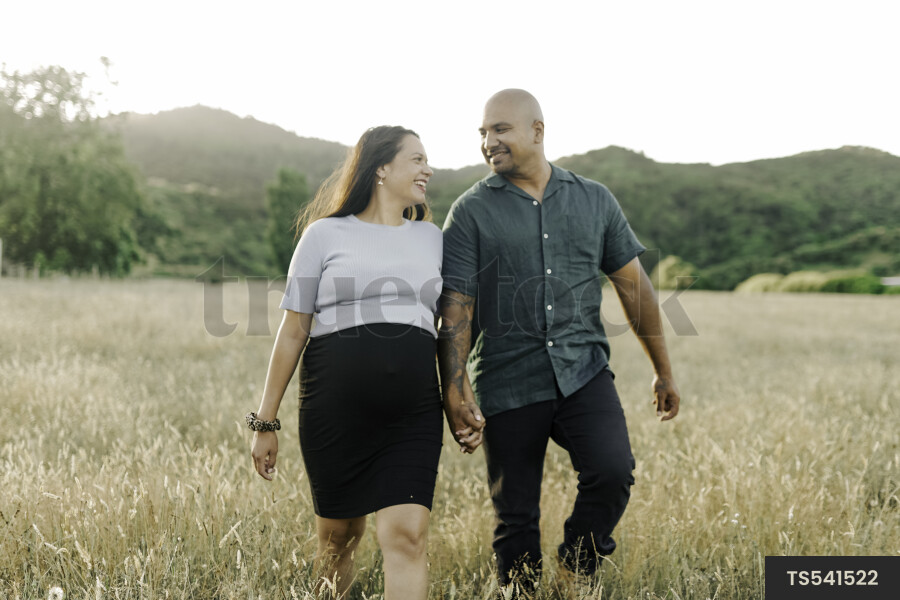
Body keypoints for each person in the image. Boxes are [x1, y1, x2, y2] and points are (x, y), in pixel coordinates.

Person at [438, 89, 681, 591]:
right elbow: (457, 309)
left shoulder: (594, 199)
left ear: (537, 130)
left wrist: (664, 369)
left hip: (583, 370)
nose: (489, 142)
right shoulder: (469, 212)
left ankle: (575, 568)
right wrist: (455, 388)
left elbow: (635, 288)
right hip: (508, 378)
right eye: (483, 133)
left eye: (500, 129)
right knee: (516, 515)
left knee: (613, 471)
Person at [248, 126, 475, 599]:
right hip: (335, 412)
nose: (427, 169)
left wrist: (460, 393)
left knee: (407, 536)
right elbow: (293, 330)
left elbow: (450, 325)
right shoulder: (324, 234)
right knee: (337, 542)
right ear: (381, 168)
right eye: (416, 159)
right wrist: (264, 420)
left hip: (412, 414)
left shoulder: (432, 238)